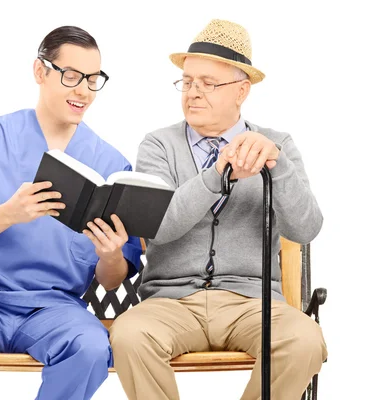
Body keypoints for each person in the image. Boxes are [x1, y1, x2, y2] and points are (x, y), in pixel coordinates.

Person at [0, 25, 143, 400]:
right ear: (40, 72)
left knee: (90, 346)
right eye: (71, 76)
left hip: (53, 309)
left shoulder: (111, 163)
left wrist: (111, 254)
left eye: (93, 79)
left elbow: (111, 280)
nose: (83, 90)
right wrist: (9, 213)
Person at [109, 19, 327, 400]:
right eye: (187, 81)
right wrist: (217, 173)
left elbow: (306, 229)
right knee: (129, 335)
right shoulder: (158, 145)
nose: (193, 93)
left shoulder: (277, 144)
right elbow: (157, 226)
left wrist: (279, 167)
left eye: (208, 83)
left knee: (305, 339)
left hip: (253, 303)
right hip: (170, 303)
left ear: (241, 91)